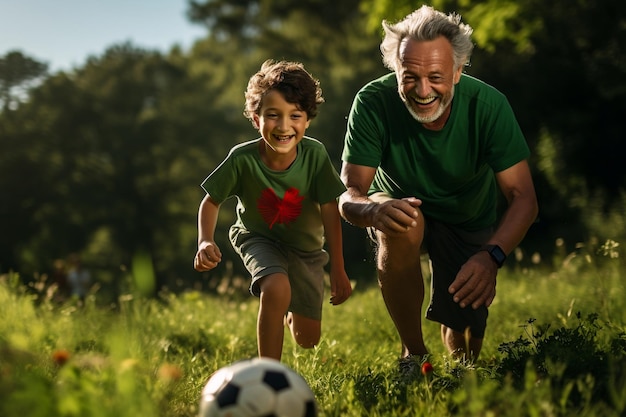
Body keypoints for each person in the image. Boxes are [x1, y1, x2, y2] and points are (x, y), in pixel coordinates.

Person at [338, 6, 538, 372]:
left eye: (436, 76)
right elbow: (351, 196)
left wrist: (491, 256)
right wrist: (373, 211)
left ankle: (457, 348)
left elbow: (524, 198)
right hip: (397, 201)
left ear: (458, 72)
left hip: (468, 216)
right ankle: (413, 356)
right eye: (409, 76)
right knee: (402, 222)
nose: (423, 90)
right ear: (395, 70)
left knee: (466, 335)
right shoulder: (372, 101)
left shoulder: (489, 107)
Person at [194, 60, 353, 361]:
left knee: (308, 340)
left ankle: (289, 314)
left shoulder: (315, 155)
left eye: (295, 116)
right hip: (257, 237)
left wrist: (339, 268)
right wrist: (205, 240)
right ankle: (268, 373)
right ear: (256, 119)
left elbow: (330, 209)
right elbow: (211, 201)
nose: (283, 126)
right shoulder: (242, 159)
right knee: (276, 286)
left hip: (305, 249)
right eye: (272, 116)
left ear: (307, 120)